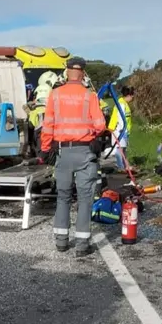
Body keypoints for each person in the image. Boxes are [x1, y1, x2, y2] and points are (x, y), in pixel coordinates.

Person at [39, 56, 106, 257]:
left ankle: (61, 241)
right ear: (83, 73)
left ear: (67, 72)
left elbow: (47, 125)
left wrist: (45, 149)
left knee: (63, 197)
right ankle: (82, 245)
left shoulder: (55, 95)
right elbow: (100, 125)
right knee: (85, 199)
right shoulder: (90, 96)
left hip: (63, 153)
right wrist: (93, 137)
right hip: (85, 153)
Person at [107, 86, 134, 170]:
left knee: (123, 149)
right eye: (132, 96)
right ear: (129, 95)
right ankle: (121, 167)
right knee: (120, 149)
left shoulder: (123, 103)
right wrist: (123, 130)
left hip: (122, 130)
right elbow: (121, 117)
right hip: (119, 130)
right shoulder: (121, 103)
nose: (132, 98)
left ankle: (126, 166)